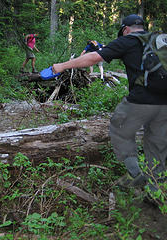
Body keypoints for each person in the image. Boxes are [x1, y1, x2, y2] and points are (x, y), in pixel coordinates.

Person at [53, 14, 167, 197]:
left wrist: (63, 65)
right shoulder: (160, 39)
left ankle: (137, 175)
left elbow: (93, 58)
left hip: (141, 100)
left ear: (125, 29)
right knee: (157, 147)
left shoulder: (127, 40)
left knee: (119, 129)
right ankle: (156, 194)